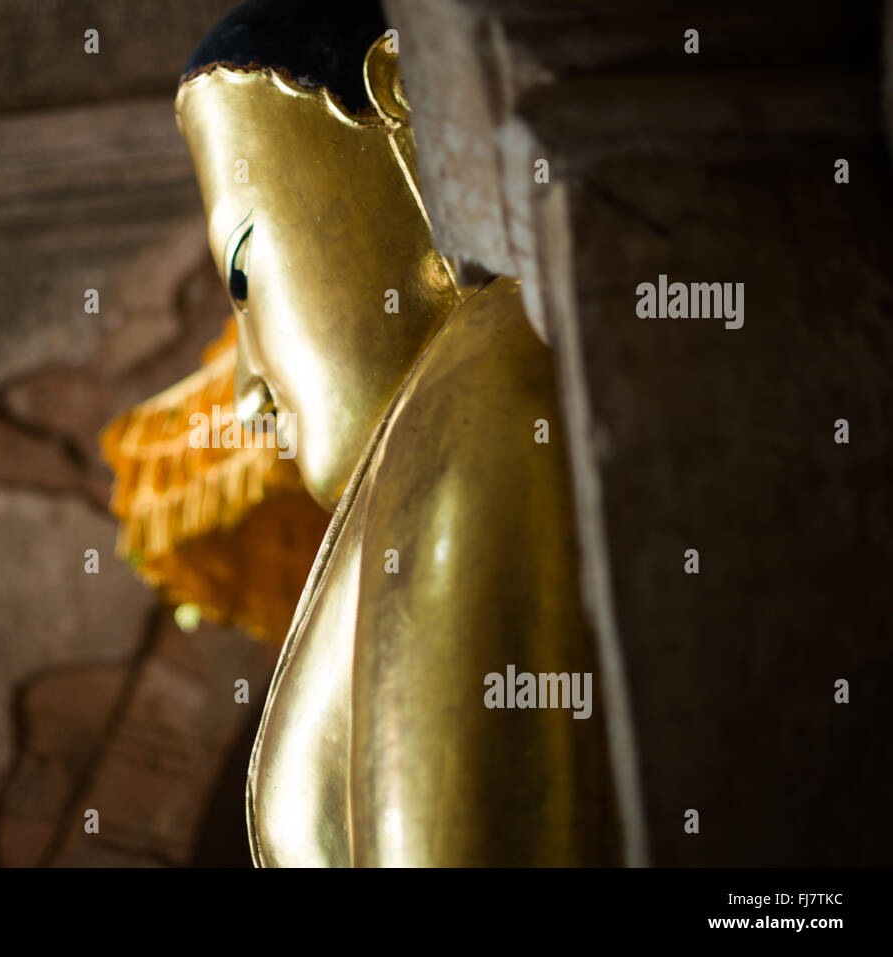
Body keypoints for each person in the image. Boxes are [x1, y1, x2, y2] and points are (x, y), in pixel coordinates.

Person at [174, 0, 621, 866]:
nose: (247, 394)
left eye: (241, 270)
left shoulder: (490, 385)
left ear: (395, 100)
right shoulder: (438, 419)